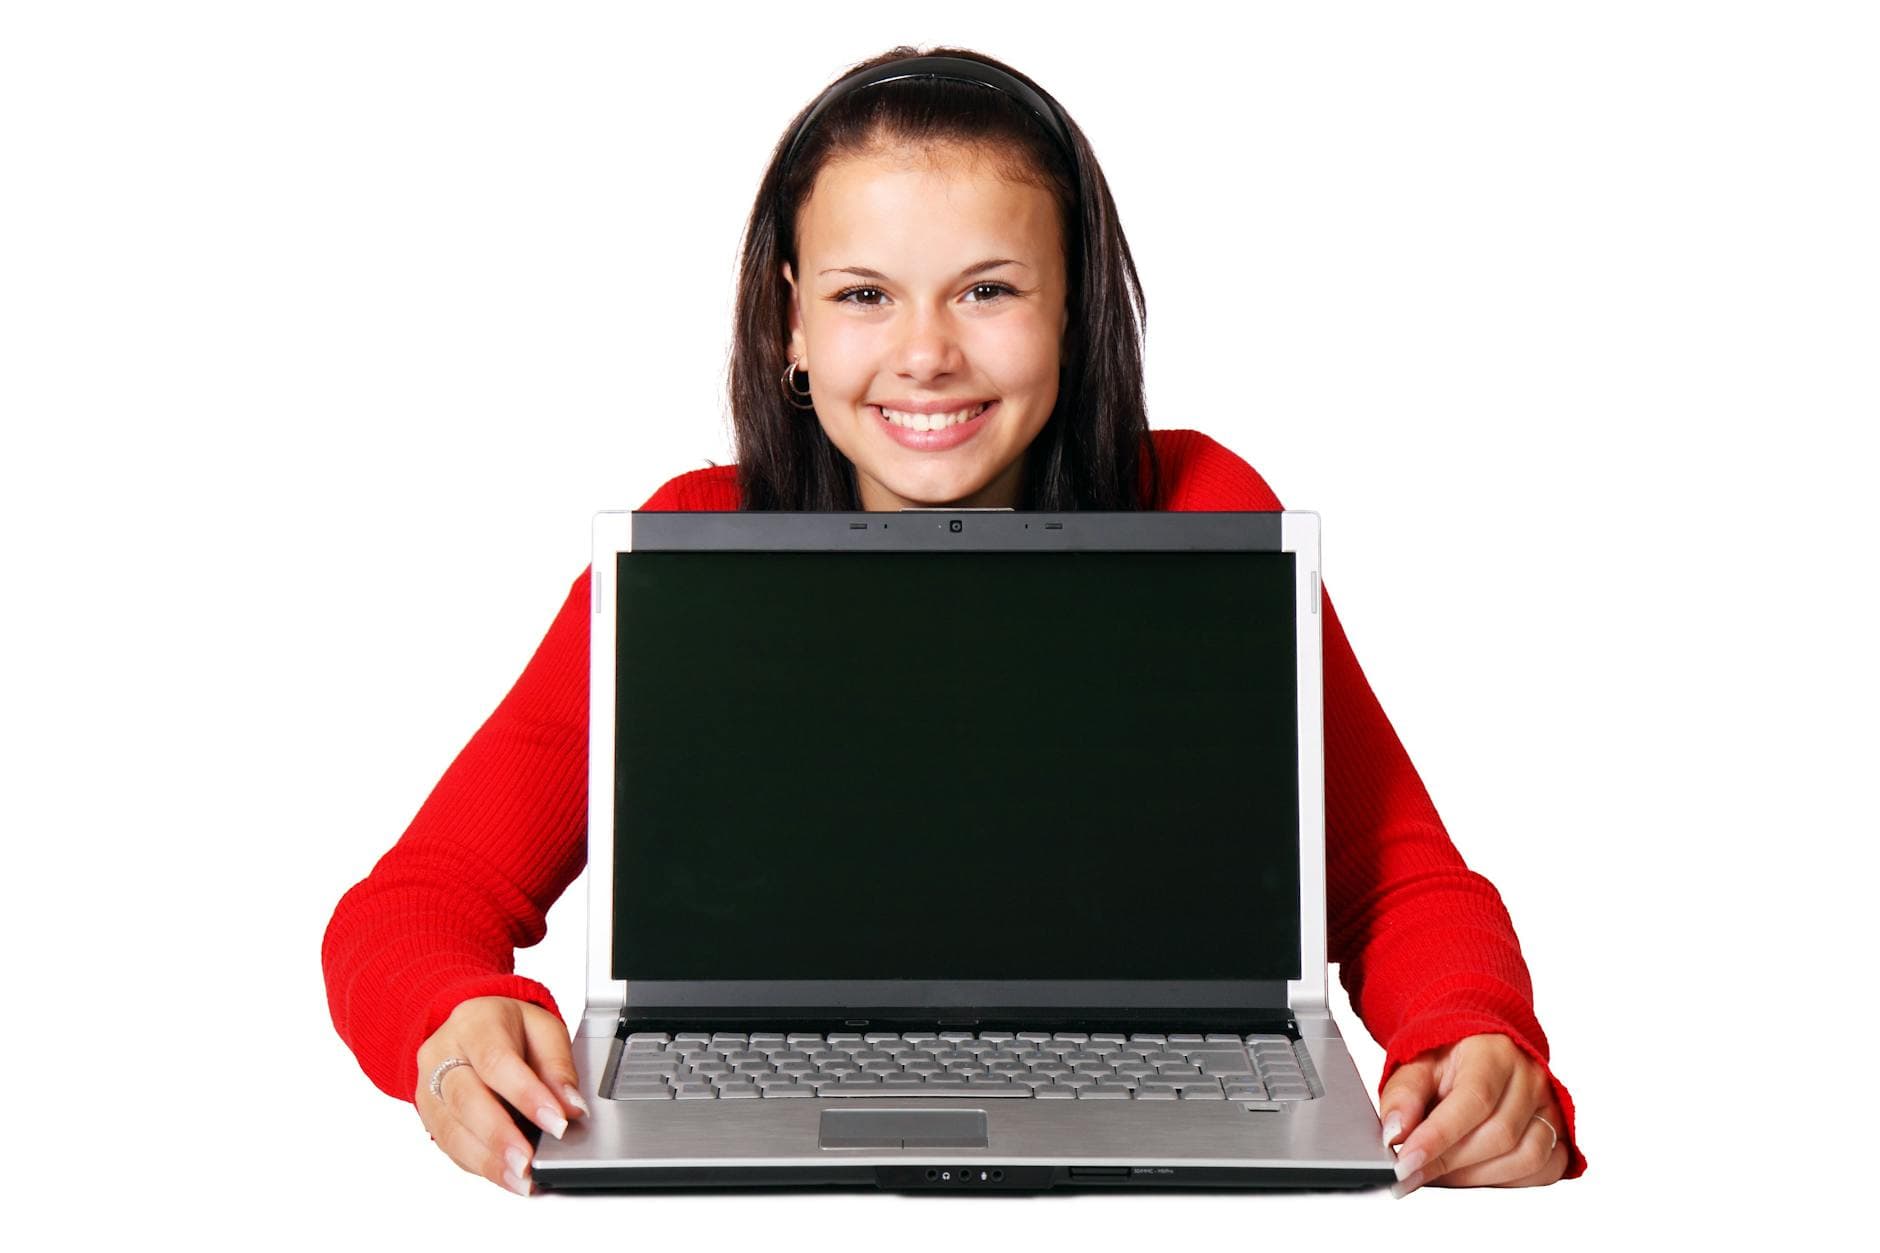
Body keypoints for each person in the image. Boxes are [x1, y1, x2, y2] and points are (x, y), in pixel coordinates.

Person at [322, 44, 1585, 1199]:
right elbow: (416, 899)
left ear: (1075, 312)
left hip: (1163, 1108)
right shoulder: (687, 544)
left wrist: (1469, 1031)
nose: (924, 354)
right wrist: (451, 1011)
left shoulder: (1205, 510)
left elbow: (1388, 871)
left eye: (986, 288)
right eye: (864, 295)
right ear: (789, 325)